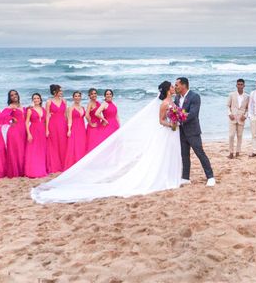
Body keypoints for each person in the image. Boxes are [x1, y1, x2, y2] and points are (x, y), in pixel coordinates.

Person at [31, 81, 183, 203]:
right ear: (167, 90)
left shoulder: (172, 100)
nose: (173, 88)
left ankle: (171, 176)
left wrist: (178, 118)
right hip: (167, 130)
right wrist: (172, 124)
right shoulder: (164, 103)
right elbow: (161, 120)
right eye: (172, 87)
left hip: (171, 132)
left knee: (169, 153)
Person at [175, 77, 215, 186]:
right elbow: (175, 111)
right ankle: (186, 178)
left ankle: (210, 177)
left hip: (193, 131)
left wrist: (179, 119)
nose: (175, 87)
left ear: (184, 85)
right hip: (182, 131)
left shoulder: (195, 96)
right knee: (184, 155)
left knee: (200, 153)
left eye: (177, 85)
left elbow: (193, 114)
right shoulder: (177, 97)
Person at [4, 90, 26, 178]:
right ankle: (16, 172)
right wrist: (11, 118)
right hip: (14, 132)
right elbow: (2, 116)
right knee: (17, 151)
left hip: (23, 130)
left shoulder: (21, 105)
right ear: (10, 98)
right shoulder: (11, 106)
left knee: (23, 150)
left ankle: (22, 170)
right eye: (11, 95)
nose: (14, 96)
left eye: (15, 94)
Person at [25, 93, 47, 178]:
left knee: (41, 150)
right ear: (32, 100)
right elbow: (26, 122)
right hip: (33, 130)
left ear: (40, 100)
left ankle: (41, 169)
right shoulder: (30, 110)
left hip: (42, 130)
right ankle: (33, 171)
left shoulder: (43, 109)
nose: (36, 100)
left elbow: (45, 120)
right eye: (34, 98)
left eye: (38, 98)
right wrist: (29, 134)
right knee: (33, 150)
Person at [45, 84, 67, 173]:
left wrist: (69, 126)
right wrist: (46, 129)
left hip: (63, 124)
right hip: (53, 124)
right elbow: (47, 116)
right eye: (60, 90)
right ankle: (55, 165)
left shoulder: (64, 101)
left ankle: (63, 164)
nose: (62, 92)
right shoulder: (49, 102)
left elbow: (65, 115)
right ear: (55, 92)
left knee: (63, 143)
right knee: (54, 144)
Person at [226, 79, 249, 159]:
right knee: (231, 135)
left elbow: (248, 108)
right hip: (232, 118)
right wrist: (229, 114)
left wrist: (245, 116)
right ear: (236, 85)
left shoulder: (247, 96)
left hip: (241, 119)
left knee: (239, 135)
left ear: (244, 86)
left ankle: (238, 152)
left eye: (241, 84)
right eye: (238, 84)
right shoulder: (231, 95)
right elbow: (227, 106)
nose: (240, 86)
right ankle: (231, 152)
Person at [64, 91, 87, 169]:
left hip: (82, 128)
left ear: (81, 97)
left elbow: (87, 117)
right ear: (73, 98)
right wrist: (69, 129)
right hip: (74, 128)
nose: (77, 97)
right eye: (75, 96)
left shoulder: (83, 107)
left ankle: (81, 163)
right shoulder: (70, 108)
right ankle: (74, 164)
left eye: (78, 96)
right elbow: (69, 119)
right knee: (74, 146)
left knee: (81, 145)